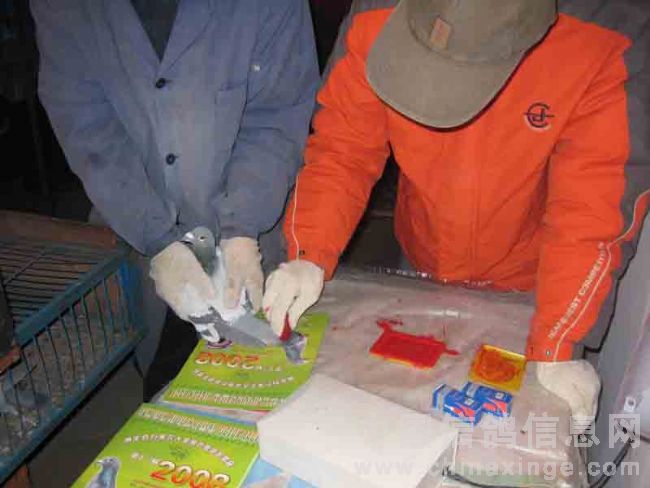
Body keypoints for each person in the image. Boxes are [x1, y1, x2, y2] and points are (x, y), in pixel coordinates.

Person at [263, 0, 650, 424]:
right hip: (422, 250)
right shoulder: (375, 14)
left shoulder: (604, 37)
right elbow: (344, 148)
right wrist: (309, 251)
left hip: (534, 283)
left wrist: (559, 339)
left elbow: (592, 208)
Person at [31, 0, 319, 396]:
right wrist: (154, 236)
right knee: (167, 380)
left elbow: (276, 115)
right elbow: (87, 127)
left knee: (266, 384)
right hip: (136, 221)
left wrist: (243, 225)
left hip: (253, 224)